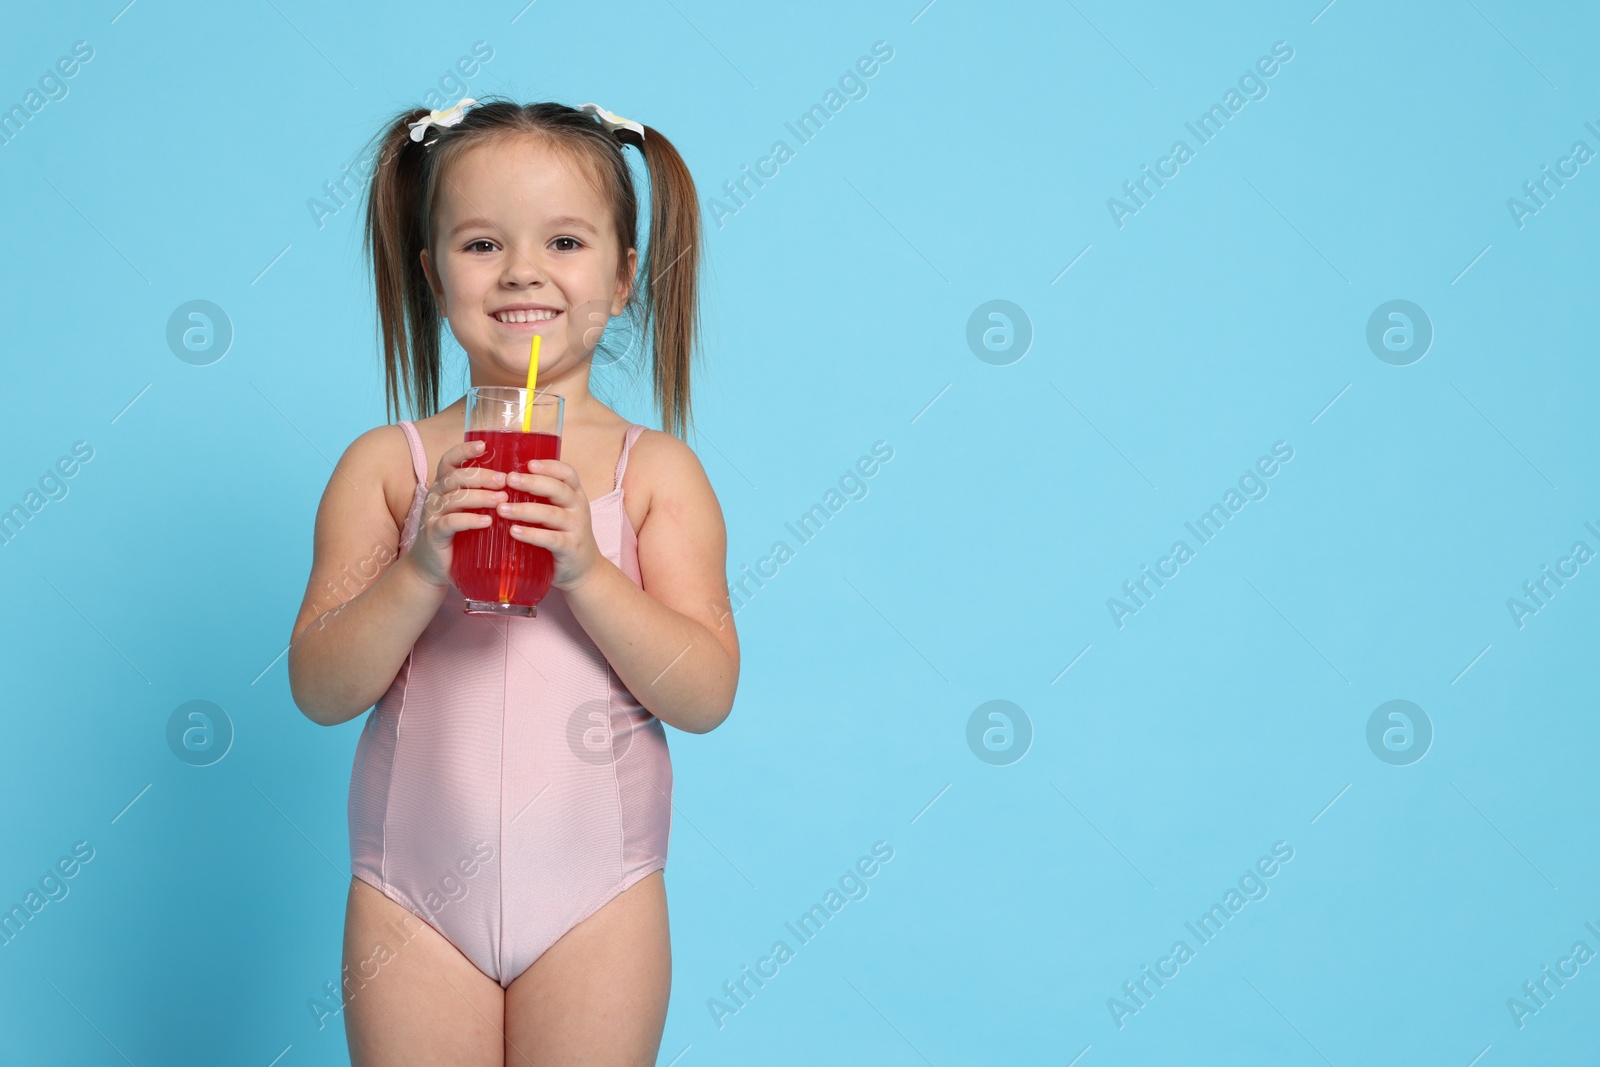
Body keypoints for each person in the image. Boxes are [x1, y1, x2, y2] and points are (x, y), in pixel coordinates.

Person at [286, 97, 739, 1065]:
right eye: (482, 242)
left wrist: (585, 566)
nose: (524, 270)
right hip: (411, 900)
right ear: (431, 272)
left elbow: (705, 692)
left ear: (622, 278)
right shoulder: (391, 466)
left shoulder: (651, 473)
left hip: (596, 899)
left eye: (565, 241)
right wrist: (420, 567)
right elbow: (319, 686)